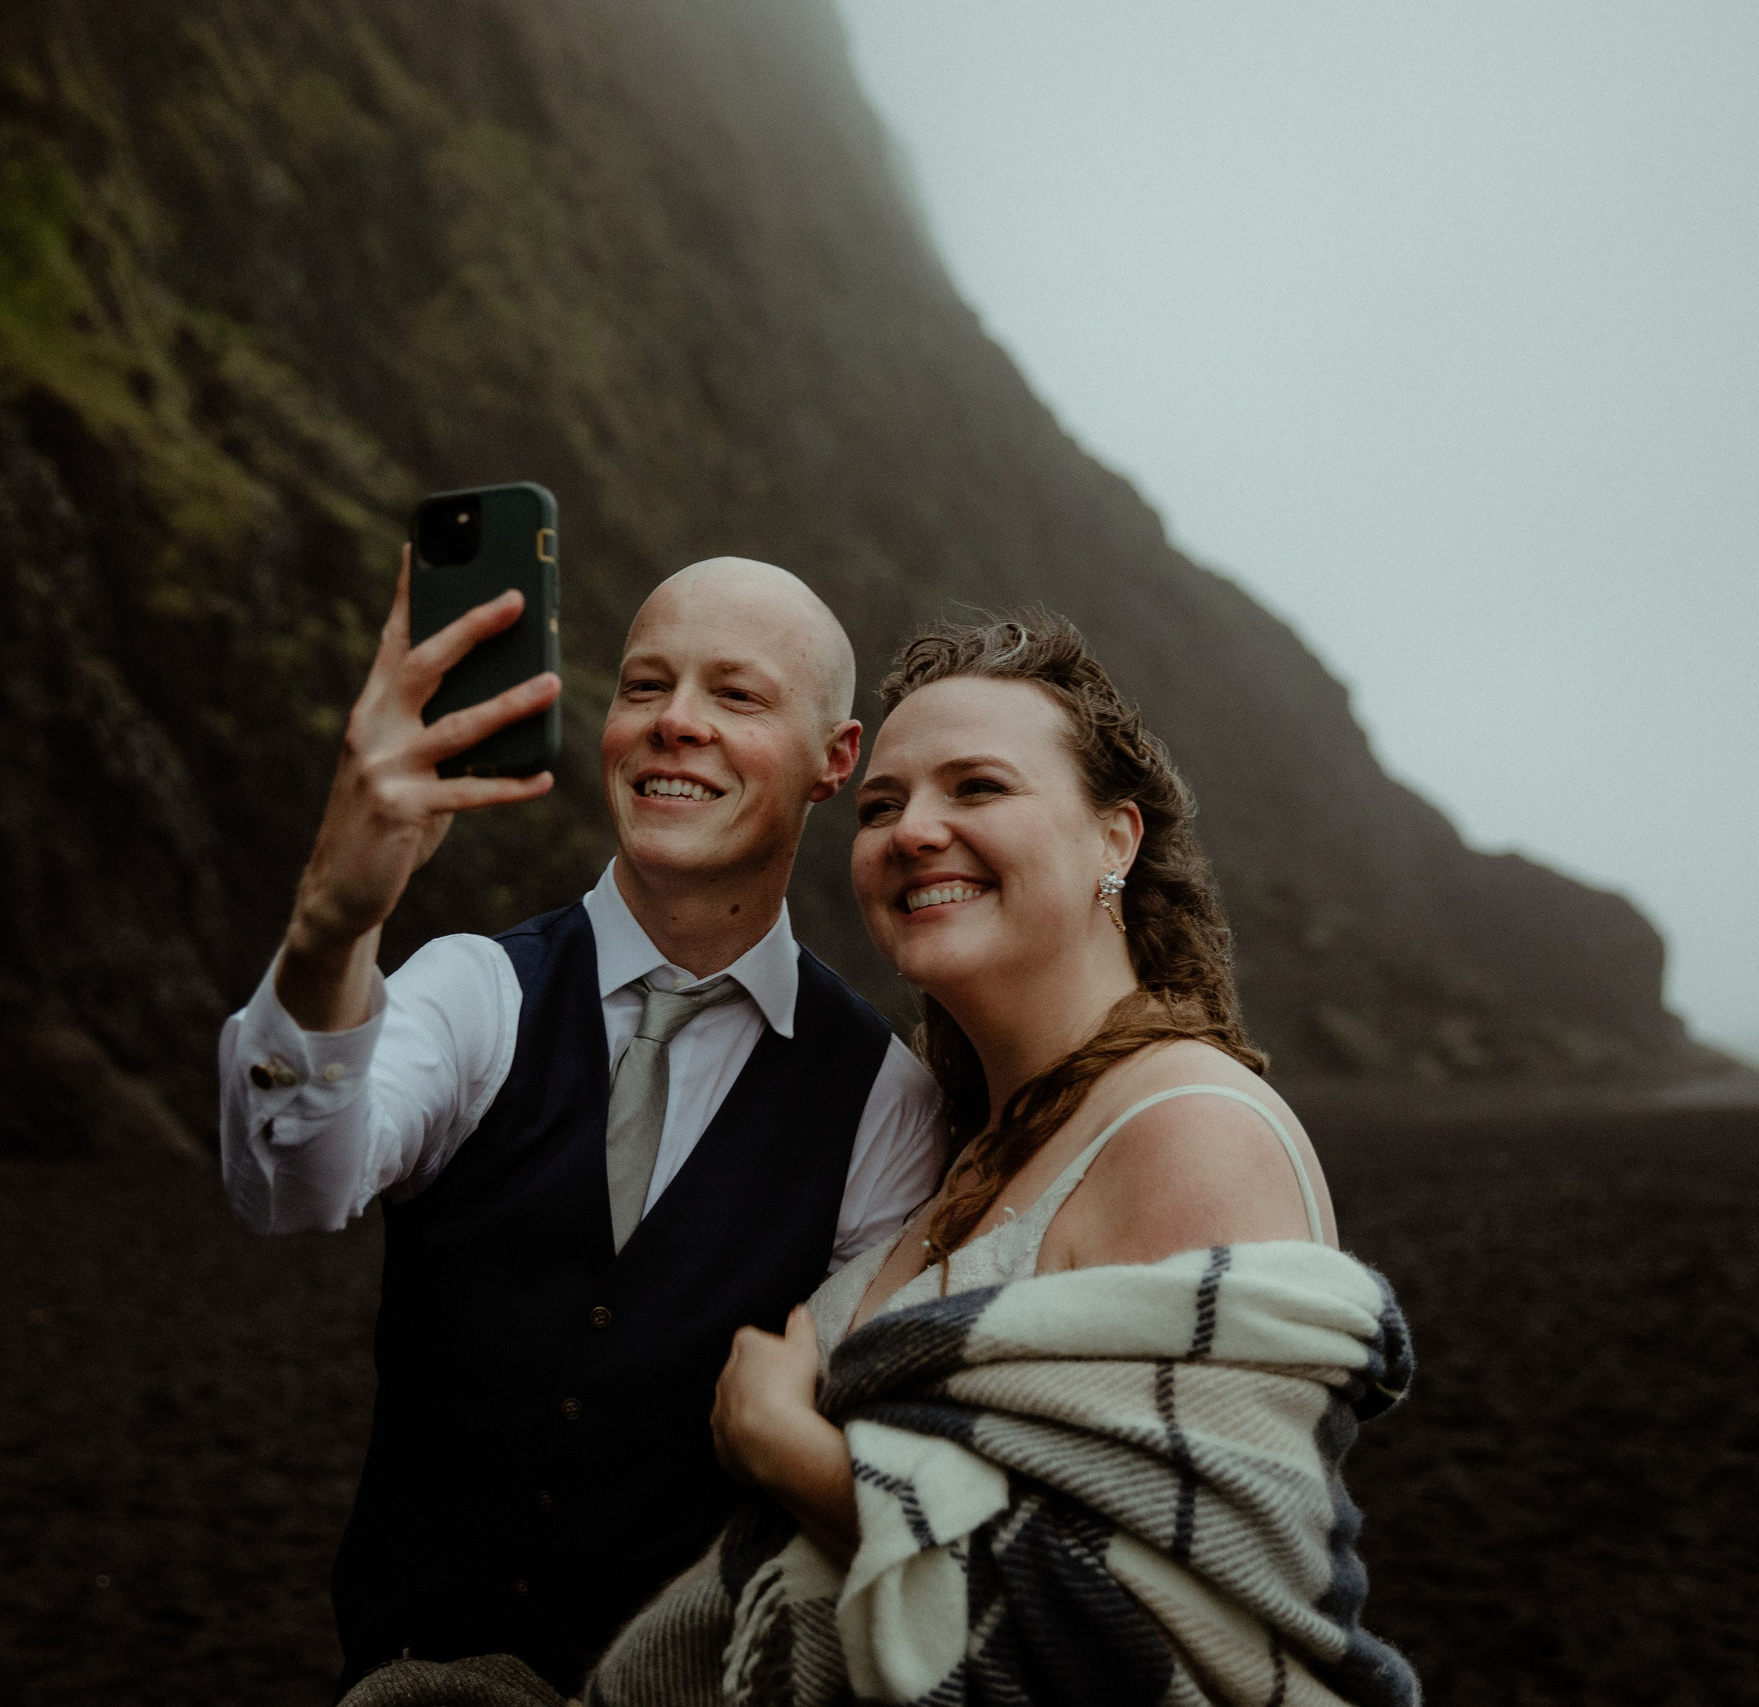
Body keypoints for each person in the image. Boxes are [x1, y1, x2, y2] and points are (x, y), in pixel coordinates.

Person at [571, 614, 1420, 1707]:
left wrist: (798, 1457)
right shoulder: (956, 1140)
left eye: (977, 789)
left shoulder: (1189, 1131)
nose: (914, 831)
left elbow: (1167, 1653)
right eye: (882, 804)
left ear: (1115, 839)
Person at [219, 551, 945, 1694]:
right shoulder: (474, 990)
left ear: (835, 760)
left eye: (736, 695)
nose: (675, 724)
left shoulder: (884, 1102)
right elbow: (289, 1184)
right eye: (645, 687)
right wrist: (331, 924)